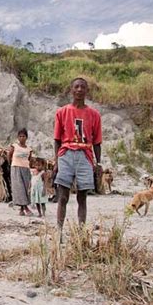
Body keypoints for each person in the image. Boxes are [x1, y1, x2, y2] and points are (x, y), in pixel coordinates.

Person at [54, 77, 102, 233]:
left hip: (85, 155)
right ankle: (59, 231)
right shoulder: (62, 112)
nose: (80, 89)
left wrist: (98, 163)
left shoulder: (94, 115)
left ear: (87, 90)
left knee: (82, 197)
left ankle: (81, 234)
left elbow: (97, 142)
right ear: (71, 90)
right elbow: (57, 139)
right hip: (66, 154)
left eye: (83, 87)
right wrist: (56, 161)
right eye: (76, 86)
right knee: (62, 196)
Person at [8, 128, 33, 216]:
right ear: (18, 137)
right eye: (20, 136)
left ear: (26, 137)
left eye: (24, 136)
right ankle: (26, 208)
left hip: (26, 169)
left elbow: (29, 159)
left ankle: (21, 209)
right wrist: (13, 164)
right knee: (19, 188)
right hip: (16, 168)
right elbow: (9, 156)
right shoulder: (14, 146)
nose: (22, 138)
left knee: (26, 188)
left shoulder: (29, 149)